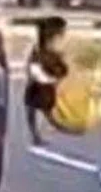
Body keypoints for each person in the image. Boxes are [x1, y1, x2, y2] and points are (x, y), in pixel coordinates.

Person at [23, 16, 69, 145]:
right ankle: (37, 135)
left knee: (38, 109)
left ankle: (38, 134)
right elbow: (34, 66)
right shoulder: (43, 49)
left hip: (41, 81)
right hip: (41, 81)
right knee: (38, 108)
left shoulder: (47, 49)